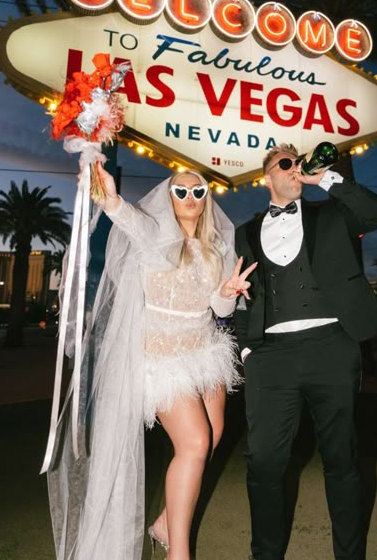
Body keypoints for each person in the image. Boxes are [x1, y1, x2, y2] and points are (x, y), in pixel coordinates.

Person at [47, 164, 256, 560]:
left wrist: (228, 290)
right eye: (181, 192)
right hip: (162, 357)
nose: (190, 199)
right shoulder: (153, 235)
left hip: (205, 351)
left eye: (198, 192)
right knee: (194, 443)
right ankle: (180, 552)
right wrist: (109, 195)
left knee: (212, 436)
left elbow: (220, 308)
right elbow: (122, 215)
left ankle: (163, 522)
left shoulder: (215, 247)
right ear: (168, 196)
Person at [233, 143, 377, 560]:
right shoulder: (242, 232)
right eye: (286, 164)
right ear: (266, 176)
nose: (295, 170)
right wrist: (248, 350)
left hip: (331, 349)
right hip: (270, 356)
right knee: (264, 463)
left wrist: (329, 180)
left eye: (298, 164)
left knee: (342, 460)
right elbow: (238, 295)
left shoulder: (332, 214)